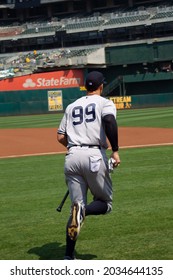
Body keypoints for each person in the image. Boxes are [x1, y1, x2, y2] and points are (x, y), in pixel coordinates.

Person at [57, 71, 120, 260]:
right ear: (101, 86)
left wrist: (76, 147)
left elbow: (61, 136)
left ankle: (69, 256)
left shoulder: (72, 106)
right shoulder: (105, 103)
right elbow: (109, 120)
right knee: (105, 204)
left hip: (72, 155)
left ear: (86, 87)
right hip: (93, 155)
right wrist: (115, 150)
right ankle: (83, 211)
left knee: (76, 207)